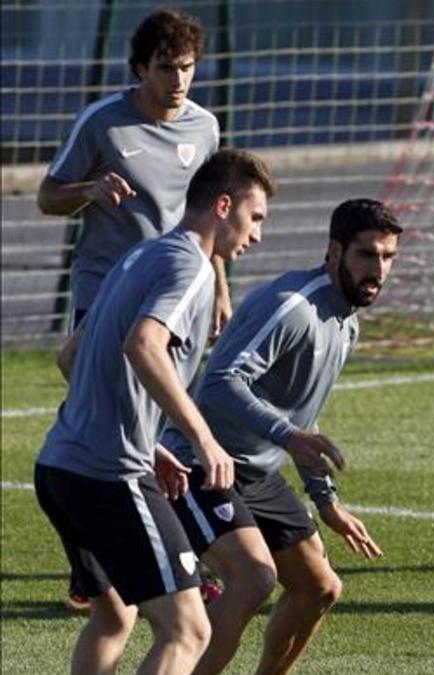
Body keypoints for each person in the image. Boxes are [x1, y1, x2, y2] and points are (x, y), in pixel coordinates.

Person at [34, 148, 277, 675]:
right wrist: (203, 439)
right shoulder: (193, 265)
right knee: (188, 630)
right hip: (108, 477)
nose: (257, 234)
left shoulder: (141, 255)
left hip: (58, 467)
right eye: (254, 218)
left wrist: (153, 445)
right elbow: (143, 345)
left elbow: (70, 357)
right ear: (222, 205)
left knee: (113, 619)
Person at [35, 8, 229, 611]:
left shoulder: (206, 128)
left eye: (187, 68)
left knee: (150, 418)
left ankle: (162, 560)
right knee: (102, 410)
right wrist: (89, 190)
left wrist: (220, 284)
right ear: (139, 68)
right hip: (108, 290)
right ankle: (97, 561)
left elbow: (209, 219)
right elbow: (46, 196)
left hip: (176, 292)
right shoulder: (103, 123)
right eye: (166, 68)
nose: (178, 79)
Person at [161, 199, 401, 674]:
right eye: (367, 255)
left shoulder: (346, 321)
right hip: (199, 460)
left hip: (256, 472)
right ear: (335, 251)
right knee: (253, 579)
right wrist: (286, 435)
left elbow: (302, 421)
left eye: (388, 257)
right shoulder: (293, 306)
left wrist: (325, 498)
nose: (379, 270)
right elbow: (221, 382)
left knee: (321, 588)